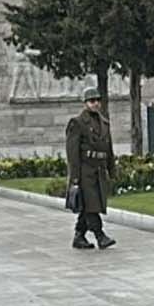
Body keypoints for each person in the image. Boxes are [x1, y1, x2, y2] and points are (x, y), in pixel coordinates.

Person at [66, 89, 117, 249]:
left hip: (99, 169)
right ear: (85, 103)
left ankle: (79, 236)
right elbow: (72, 153)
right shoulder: (78, 123)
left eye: (97, 100)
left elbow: (108, 149)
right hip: (85, 170)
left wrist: (111, 169)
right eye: (91, 101)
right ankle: (100, 236)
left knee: (89, 205)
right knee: (92, 204)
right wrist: (75, 178)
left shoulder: (104, 123)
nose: (95, 103)